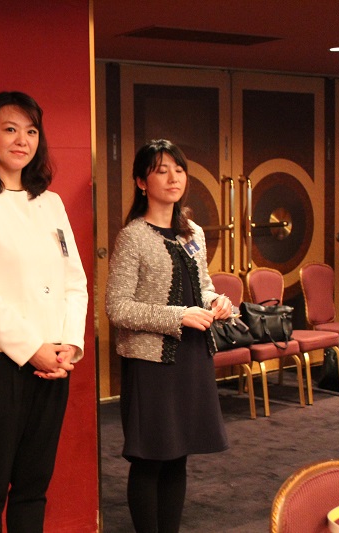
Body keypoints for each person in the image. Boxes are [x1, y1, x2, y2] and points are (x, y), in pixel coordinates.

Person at [0, 91, 88, 532]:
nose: (22, 140)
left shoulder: (52, 203)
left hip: (54, 366)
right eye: (10, 129)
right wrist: (33, 350)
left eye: (31, 131)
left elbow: (75, 281)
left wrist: (69, 345)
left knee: (33, 486)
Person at [105, 139, 231, 533]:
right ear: (142, 182)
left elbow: (202, 285)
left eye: (178, 169)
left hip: (192, 356)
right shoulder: (133, 236)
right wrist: (179, 315)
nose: (174, 178)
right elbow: (117, 307)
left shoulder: (192, 231)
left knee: (178, 455)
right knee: (150, 458)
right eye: (162, 170)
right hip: (151, 362)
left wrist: (216, 302)